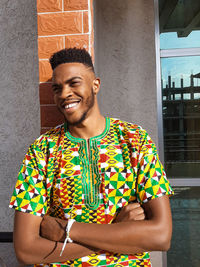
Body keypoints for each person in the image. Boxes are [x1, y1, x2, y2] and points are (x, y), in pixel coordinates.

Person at [9, 48, 173, 267]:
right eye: (57, 88)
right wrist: (118, 231)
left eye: (74, 83)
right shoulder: (42, 151)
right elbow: (26, 250)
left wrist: (67, 230)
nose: (64, 93)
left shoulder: (134, 139)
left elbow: (161, 237)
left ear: (95, 85)